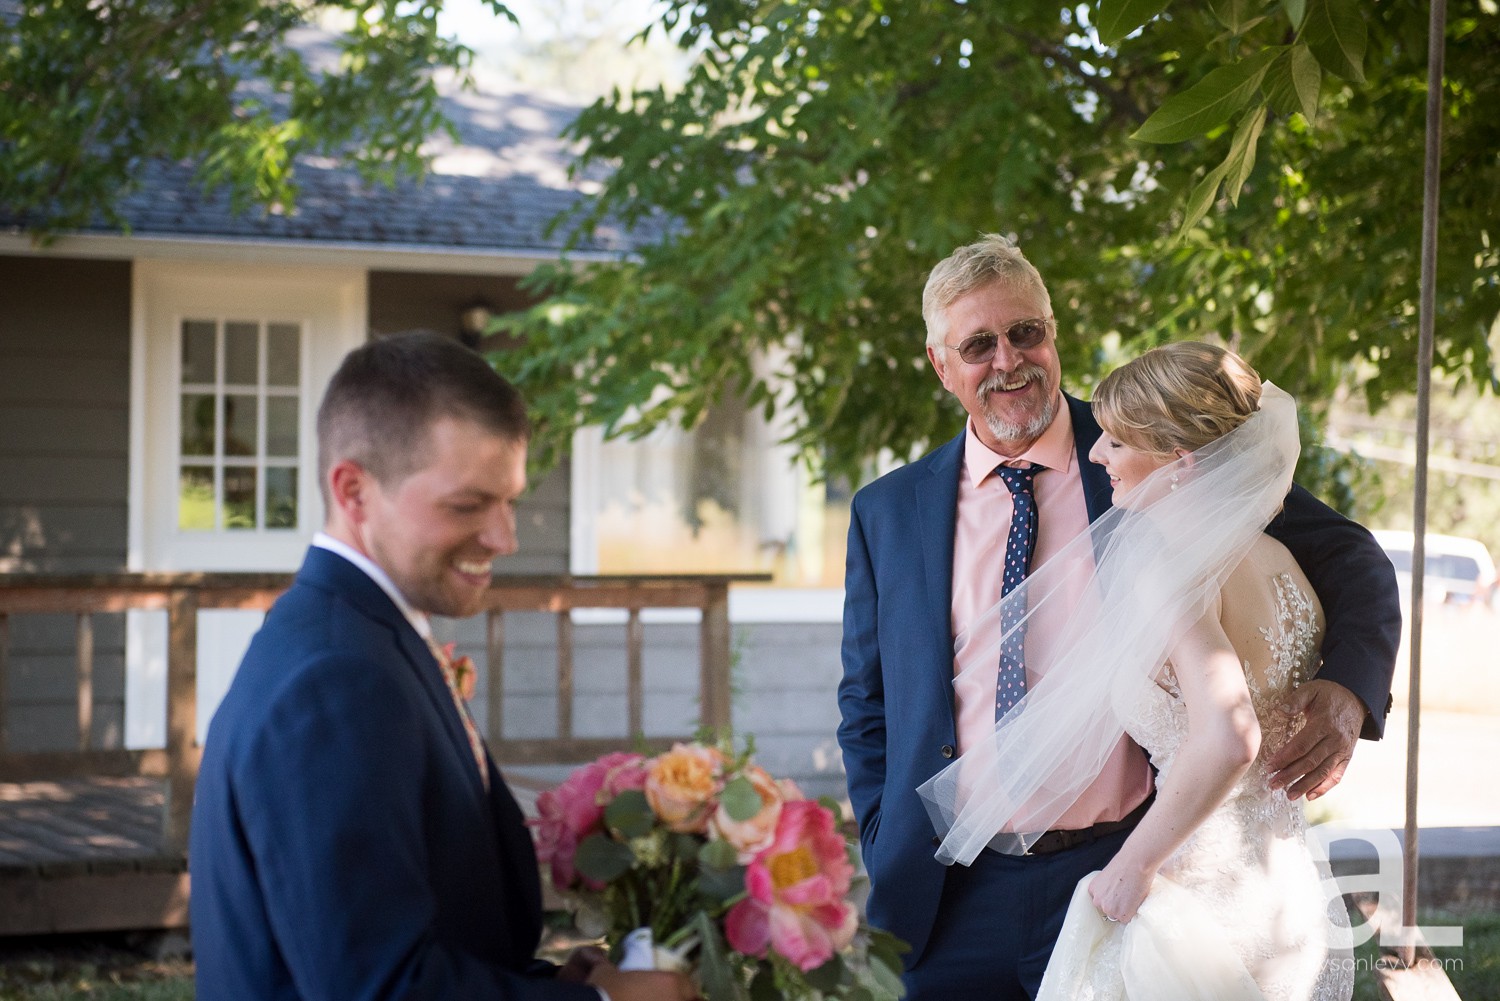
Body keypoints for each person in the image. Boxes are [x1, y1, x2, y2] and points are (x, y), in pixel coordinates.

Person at [835, 235, 1399, 1001]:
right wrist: (881, 833)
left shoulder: (1156, 452)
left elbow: (1350, 555)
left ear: (1052, 332)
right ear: (941, 365)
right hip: (948, 893)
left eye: (1025, 332)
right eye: (978, 344)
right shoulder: (886, 512)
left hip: (1122, 870)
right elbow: (866, 702)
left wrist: (1349, 686)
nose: (1008, 360)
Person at [191, 332, 697, 1001]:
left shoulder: (366, 635)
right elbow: (379, 986)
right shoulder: (336, 677)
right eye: (466, 505)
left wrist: (551, 982)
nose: (503, 538)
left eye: (509, 500)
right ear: (354, 490)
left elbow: (418, 934)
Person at [921, 343, 1353, 999]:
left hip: (1199, 914)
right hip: (1286, 894)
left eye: (1118, 443)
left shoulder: (1169, 567)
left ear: (1179, 462)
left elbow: (1231, 735)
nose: (1097, 454)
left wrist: (1132, 864)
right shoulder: (1282, 562)